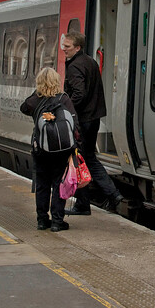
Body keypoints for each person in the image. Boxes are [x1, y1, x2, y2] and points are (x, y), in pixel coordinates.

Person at [61, 31, 124, 215]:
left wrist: (66, 108)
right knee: (88, 158)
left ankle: (83, 204)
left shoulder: (75, 66)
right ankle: (113, 194)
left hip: (82, 120)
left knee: (78, 159)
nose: (64, 49)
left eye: (68, 46)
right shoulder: (90, 62)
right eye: (63, 45)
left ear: (77, 47)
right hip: (94, 118)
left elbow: (79, 94)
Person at [20, 67, 78, 232]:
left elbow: (23, 108)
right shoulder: (64, 99)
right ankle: (57, 221)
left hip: (41, 149)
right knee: (59, 183)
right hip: (62, 150)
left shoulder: (35, 100)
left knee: (42, 184)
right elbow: (74, 122)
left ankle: (42, 220)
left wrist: (36, 92)